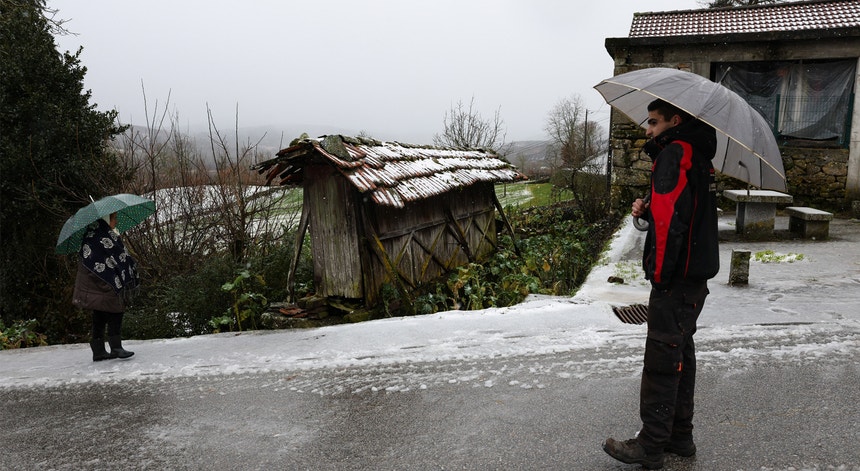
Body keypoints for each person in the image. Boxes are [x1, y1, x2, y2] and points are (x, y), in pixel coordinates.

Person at [603, 99, 720, 469]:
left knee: (660, 360)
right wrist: (648, 211)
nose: (647, 129)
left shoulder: (675, 154)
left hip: (677, 278)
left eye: (653, 122)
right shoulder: (697, 155)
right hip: (695, 274)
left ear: (675, 120)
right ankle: (679, 437)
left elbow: (671, 225)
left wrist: (660, 276)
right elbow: (677, 213)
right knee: (680, 354)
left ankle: (650, 446)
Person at [72, 212, 139, 362]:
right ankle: (116, 348)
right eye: (113, 218)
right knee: (115, 311)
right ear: (106, 220)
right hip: (103, 282)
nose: (116, 221)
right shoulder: (99, 237)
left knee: (100, 315)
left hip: (98, 283)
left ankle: (99, 350)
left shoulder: (98, 234)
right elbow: (100, 261)